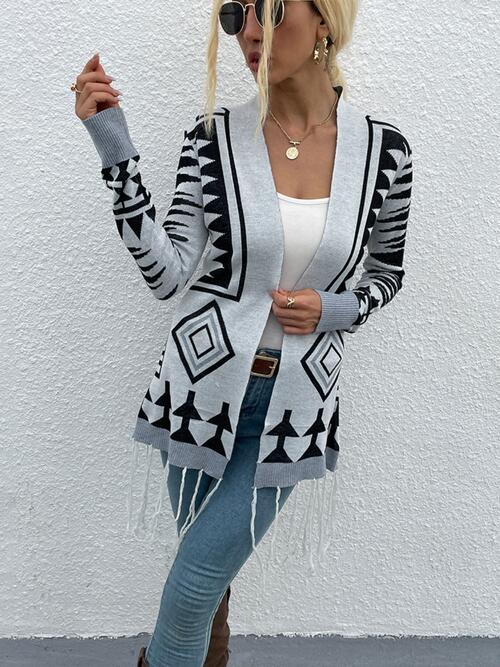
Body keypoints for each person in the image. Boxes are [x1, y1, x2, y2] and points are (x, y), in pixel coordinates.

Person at [72, 1, 413, 665]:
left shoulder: (384, 152)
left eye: (273, 10)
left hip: (292, 410)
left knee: (193, 585)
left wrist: (332, 308)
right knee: (209, 589)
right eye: (237, 16)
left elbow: (386, 273)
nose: (251, 32)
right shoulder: (212, 139)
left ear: (324, 20)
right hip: (196, 395)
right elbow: (169, 274)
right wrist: (114, 149)